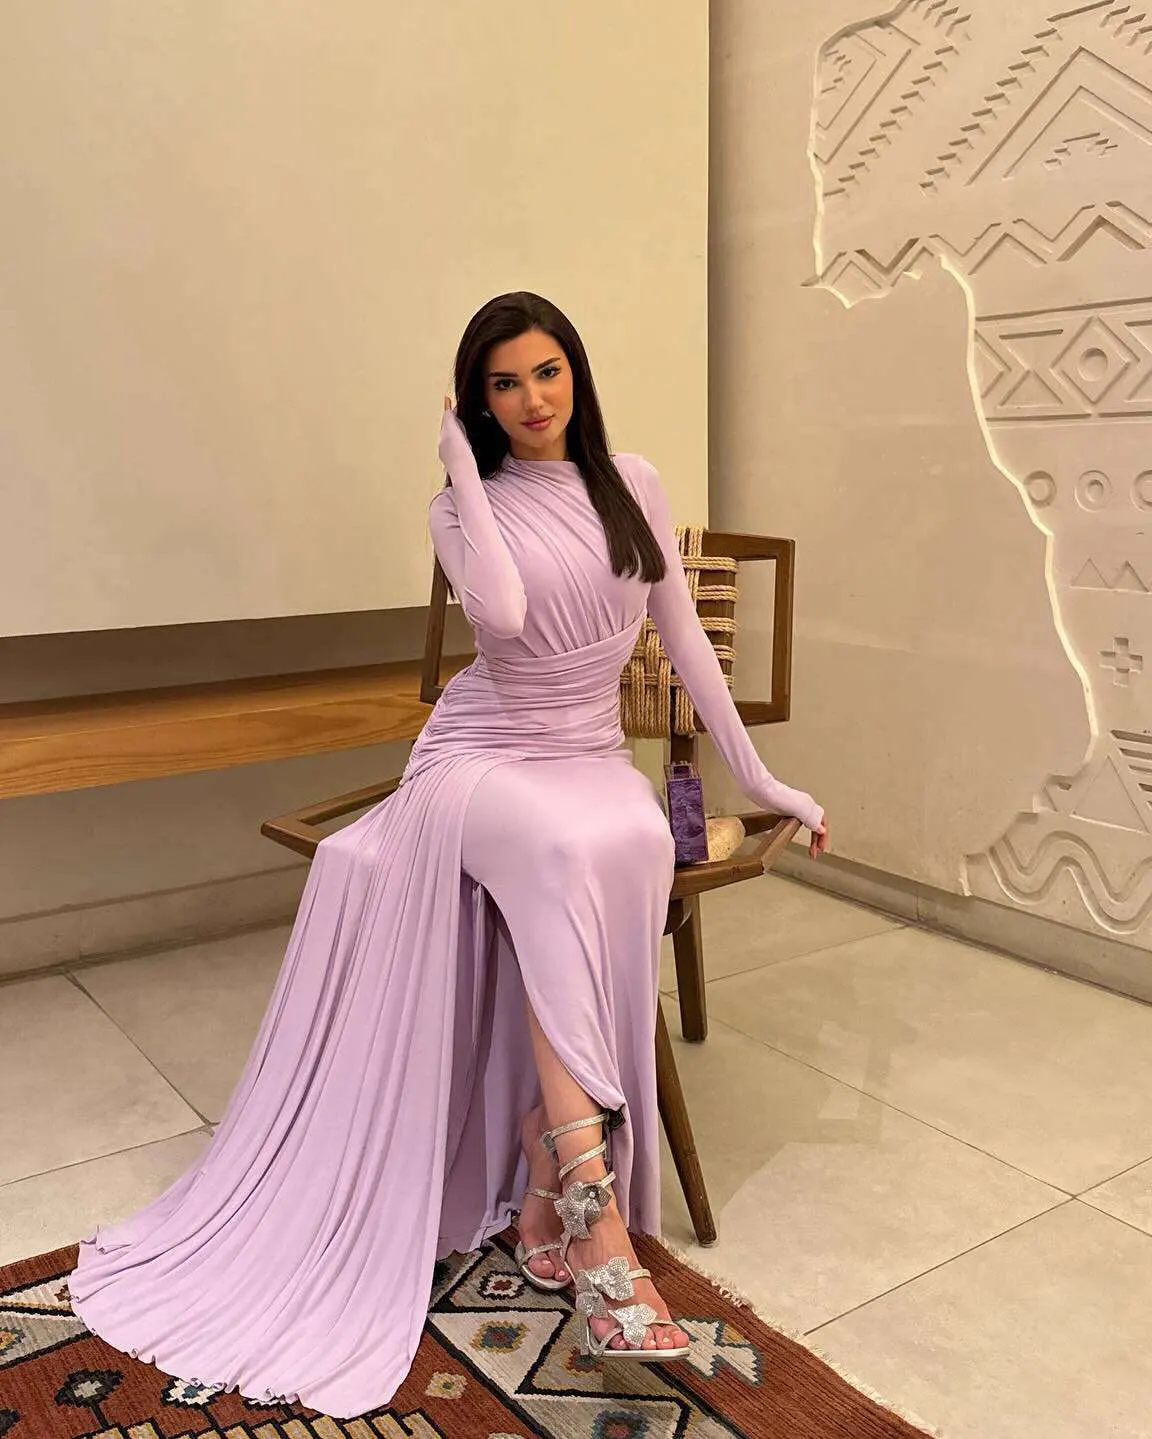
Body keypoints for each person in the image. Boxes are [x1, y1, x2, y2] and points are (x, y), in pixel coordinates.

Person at [67, 291, 827, 1419]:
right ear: (478, 400)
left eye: (548, 372)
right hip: (479, 759)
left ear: (577, 373)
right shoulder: (457, 507)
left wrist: (762, 780)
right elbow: (506, 615)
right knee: (566, 848)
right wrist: (462, 469)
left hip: (585, 754)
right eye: (504, 384)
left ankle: (544, 1161)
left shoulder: (635, 480)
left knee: (620, 830)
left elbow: (684, 643)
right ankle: (592, 1212)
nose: (532, 399)